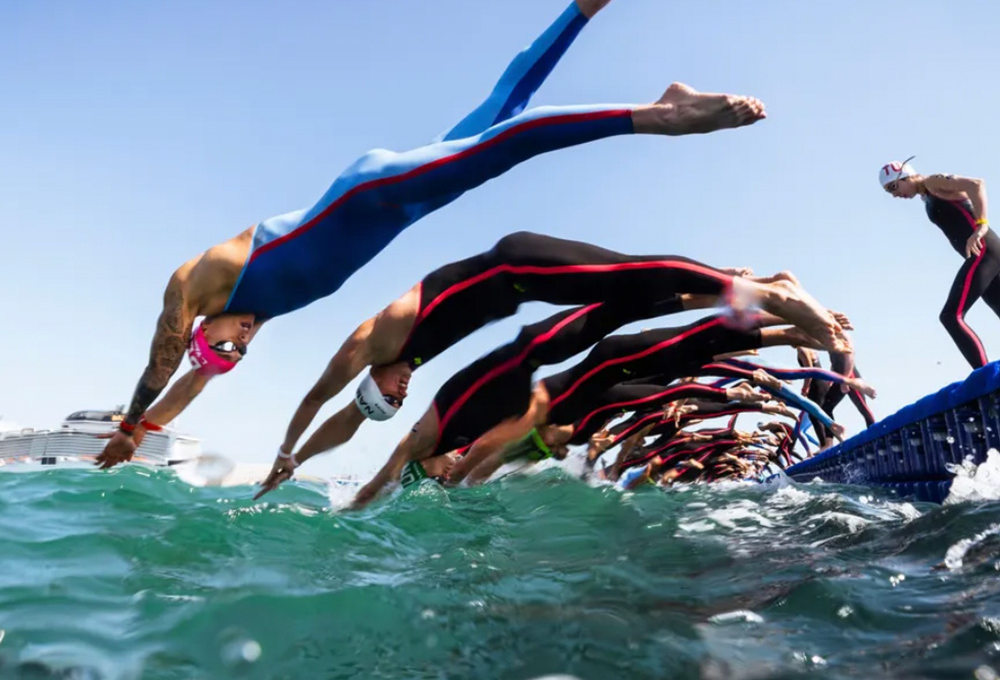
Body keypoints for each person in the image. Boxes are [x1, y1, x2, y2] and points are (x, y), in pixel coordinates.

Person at [96, 0, 768, 469]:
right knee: (502, 109)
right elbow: (193, 382)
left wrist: (130, 419)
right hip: (406, 209)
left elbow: (165, 362)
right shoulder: (252, 315)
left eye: (225, 345)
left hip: (369, 194)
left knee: (508, 144)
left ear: (198, 335)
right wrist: (147, 433)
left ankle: (660, 112)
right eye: (241, 352)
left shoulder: (206, 281)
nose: (240, 343)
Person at [259, 234, 849, 490]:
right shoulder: (406, 364)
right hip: (533, 299)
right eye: (399, 401)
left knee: (632, 277)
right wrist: (300, 459)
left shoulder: (370, 345)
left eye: (391, 395)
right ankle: (757, 293)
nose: (404, 391)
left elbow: (321, 400)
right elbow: (350, 420)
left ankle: (767, 296)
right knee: (640, 298)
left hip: (517, 269)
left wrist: (288, 446)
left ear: (370, 381)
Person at [880, 158, 999, 369]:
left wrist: (981, 225)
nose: (895, 195)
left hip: (984, 253)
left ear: (906, 175)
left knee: (951, 316)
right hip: (987, 255)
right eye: (890, 192)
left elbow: (976, 184)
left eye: (894, 187)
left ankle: (987, 383)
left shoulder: (933, 182)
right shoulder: (926, 195)